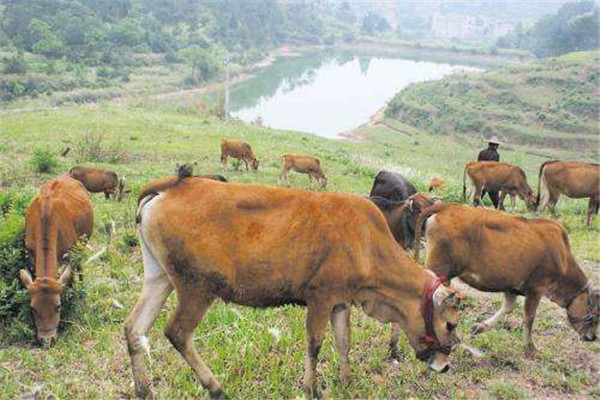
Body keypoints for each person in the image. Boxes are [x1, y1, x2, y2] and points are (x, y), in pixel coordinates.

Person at [477, 137, 501, 208]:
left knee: (479, 194)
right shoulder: (496, 155)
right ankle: (499, 209)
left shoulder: (482, 152)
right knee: (495, 197)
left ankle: (473, 206)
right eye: (497, 146)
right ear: (495, 145)